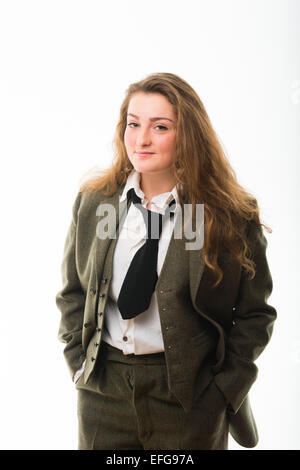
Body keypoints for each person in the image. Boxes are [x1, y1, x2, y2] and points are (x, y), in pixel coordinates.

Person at [55, 72, 277, 450]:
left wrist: (223, 391)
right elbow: (73, 293)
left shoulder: (225, 215)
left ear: (187, 135)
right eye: (133, 124)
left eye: (160, 127)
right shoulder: (96, 204)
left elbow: (256, 315)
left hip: (188, 397)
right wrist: (78, 360)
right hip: (103, 391)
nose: (141, 139)